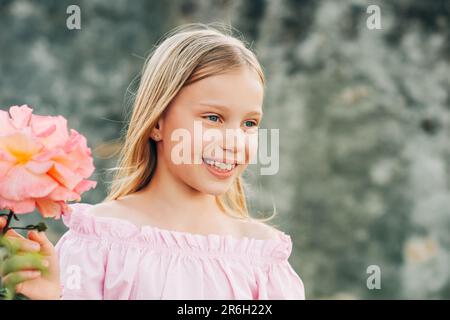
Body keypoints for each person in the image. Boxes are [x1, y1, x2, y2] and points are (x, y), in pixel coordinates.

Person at [0, 24, 305, 300]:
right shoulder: (99, 241)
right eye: (213, 118)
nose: (234, 141)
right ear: (158, 122)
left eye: (249, 124)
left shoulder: (263, 260)